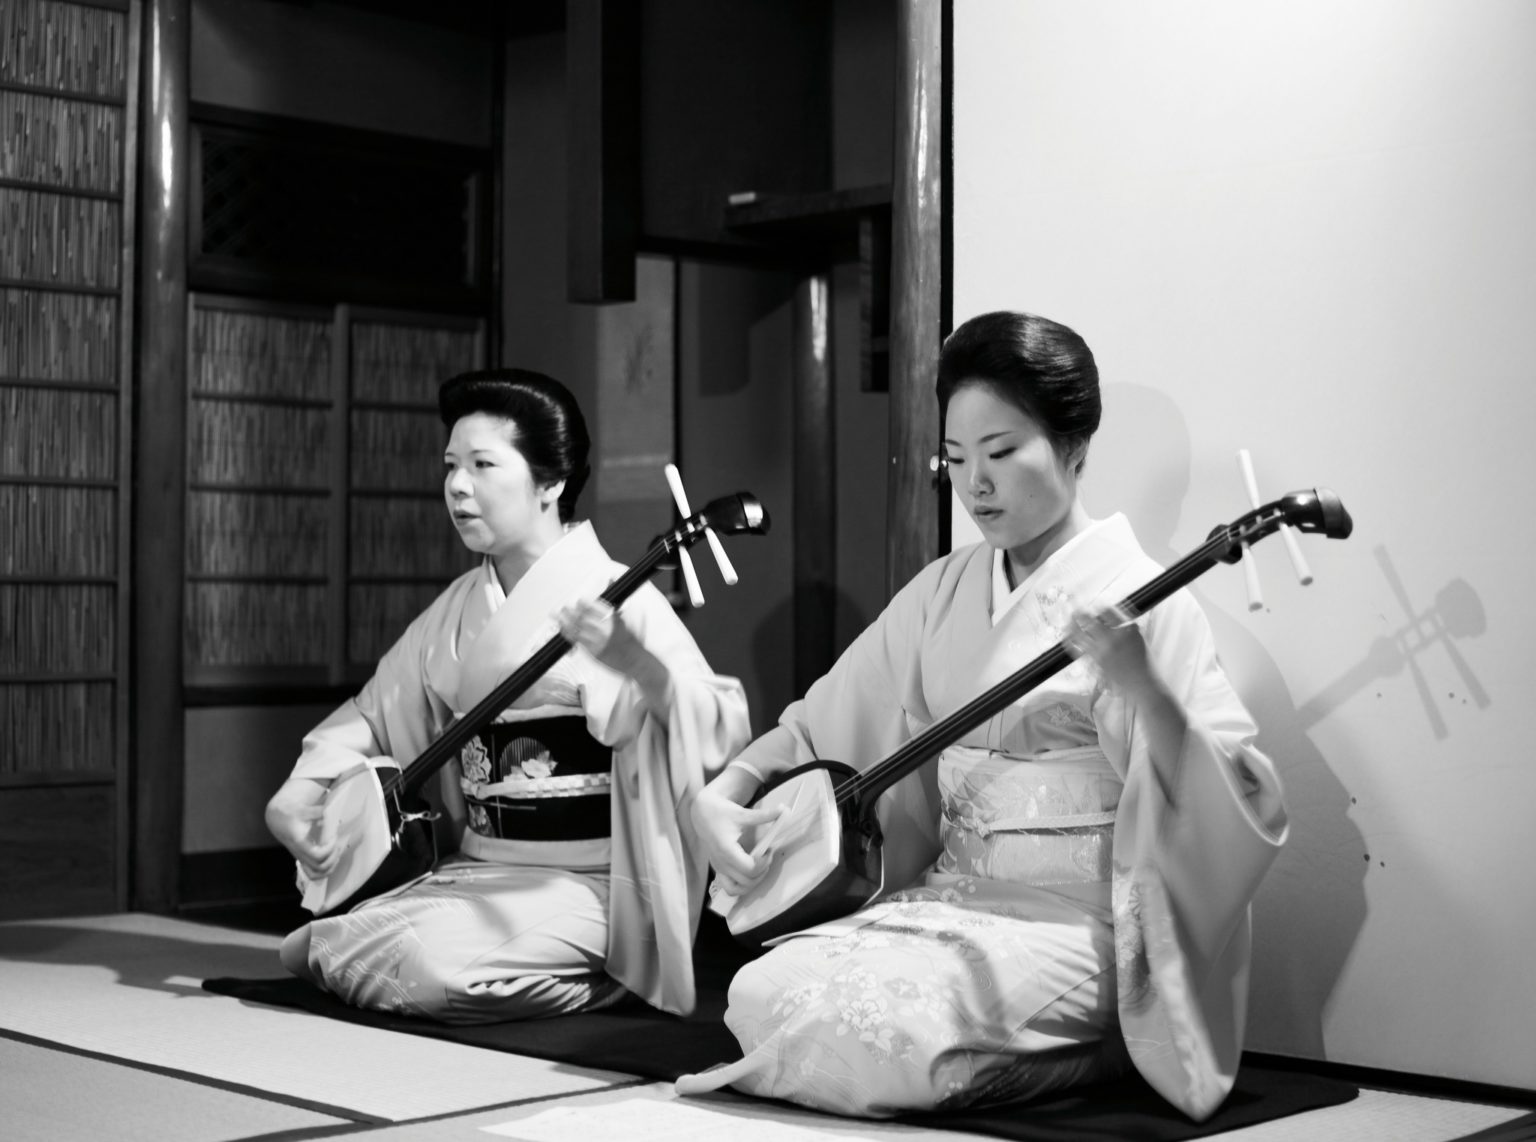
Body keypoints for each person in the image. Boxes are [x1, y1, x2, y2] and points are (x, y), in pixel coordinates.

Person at [675, 312, 1288, 1121]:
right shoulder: (943, 590)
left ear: (1074, 448)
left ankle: (1100, 1045)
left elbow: (1231, 795)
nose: (975, 486)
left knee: (885, 1027)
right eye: (956, 459)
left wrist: (1145, 691)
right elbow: (825, 717)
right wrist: (727, 788)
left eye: (1000, 453)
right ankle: (1021, 1058)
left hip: (1078, 922)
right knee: (764, 990)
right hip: (953, 899)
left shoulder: (1148, 599)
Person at [265, 368, 751, 1022]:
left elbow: (719, 726)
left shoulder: (621, 598)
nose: (457, 485)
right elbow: (374, 716)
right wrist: (301, 789)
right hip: (478, 869)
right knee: (320, 946)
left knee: (424, 966)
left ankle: (605, 981)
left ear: (551, 483)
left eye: (483, 465)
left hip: (587, 881)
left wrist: (636, 663)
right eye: (451, 466)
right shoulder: (455, 610)